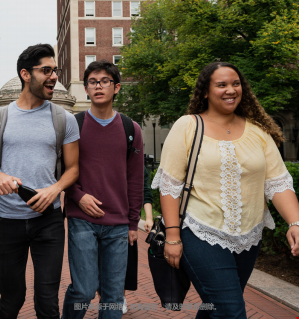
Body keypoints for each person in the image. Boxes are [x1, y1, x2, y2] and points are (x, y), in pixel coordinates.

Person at [152, 62, 299, 318]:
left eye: (235, 83)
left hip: (248, 238)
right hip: (199, 232)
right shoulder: (188, 126)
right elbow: (169, 187)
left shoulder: (259, 132)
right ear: (206, 92)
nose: (230, 90)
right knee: (230, 310)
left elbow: (278, 183)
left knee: (216, 307)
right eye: (221, 85)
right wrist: (173, 237)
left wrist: (295, 222)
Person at [0, 44, 79, 319]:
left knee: (47, 301)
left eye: (55, 70)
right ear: (25, 74)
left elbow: (73, 169)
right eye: (46, 70)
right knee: (12, 298)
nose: (54, 76)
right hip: (7, 220)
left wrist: (55, 189)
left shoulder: (64, 119)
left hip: (49, 221)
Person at [62, 60, 144, 319]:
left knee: (113, 295)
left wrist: (133, 223)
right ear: (86, 89)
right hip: (81, 220)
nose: (98, 86)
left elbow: (135, 178)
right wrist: (78, 196)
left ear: (116, 87)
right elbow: (61, 170)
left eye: (105, 81)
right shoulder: (74, 125)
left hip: (118, 224)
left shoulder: (131, 129)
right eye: (93, 82)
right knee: (84, 290)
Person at [122, 166, 154, 314]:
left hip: (128, 221)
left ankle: (120, 297)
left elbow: (145, 192)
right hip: (106, 215)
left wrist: (148, 218)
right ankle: (106, 297)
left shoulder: (137, 162)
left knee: (125, 262)